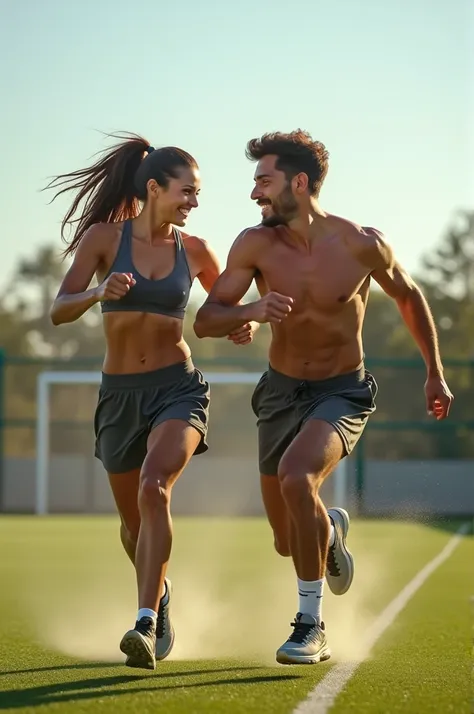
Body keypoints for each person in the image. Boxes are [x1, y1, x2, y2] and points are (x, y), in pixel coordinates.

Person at [193, 129, 454, 665]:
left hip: (342, 391)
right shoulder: (254, 244)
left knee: (297, 475)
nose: (254, 194)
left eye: (263, 181)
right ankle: (328, 527)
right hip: (280, 391)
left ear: (299, 182)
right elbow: (206, 320)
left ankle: (311, 625)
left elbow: (408, 295)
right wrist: (249, 312)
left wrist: (435, 371)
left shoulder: (362, 242)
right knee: (287, 540)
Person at [47, 132, 256, 670]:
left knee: (154, 485)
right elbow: (59, 309)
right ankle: (160, 593)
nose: (194, 202)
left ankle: (144, 619)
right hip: (118, 397)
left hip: (177, 389)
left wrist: (240, 324)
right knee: (133, 525)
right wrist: (98, 292)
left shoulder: (197, 251)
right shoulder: (102, 239)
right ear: (155, 189)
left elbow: (217, 312)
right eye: (186, 192)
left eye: (197, 195)